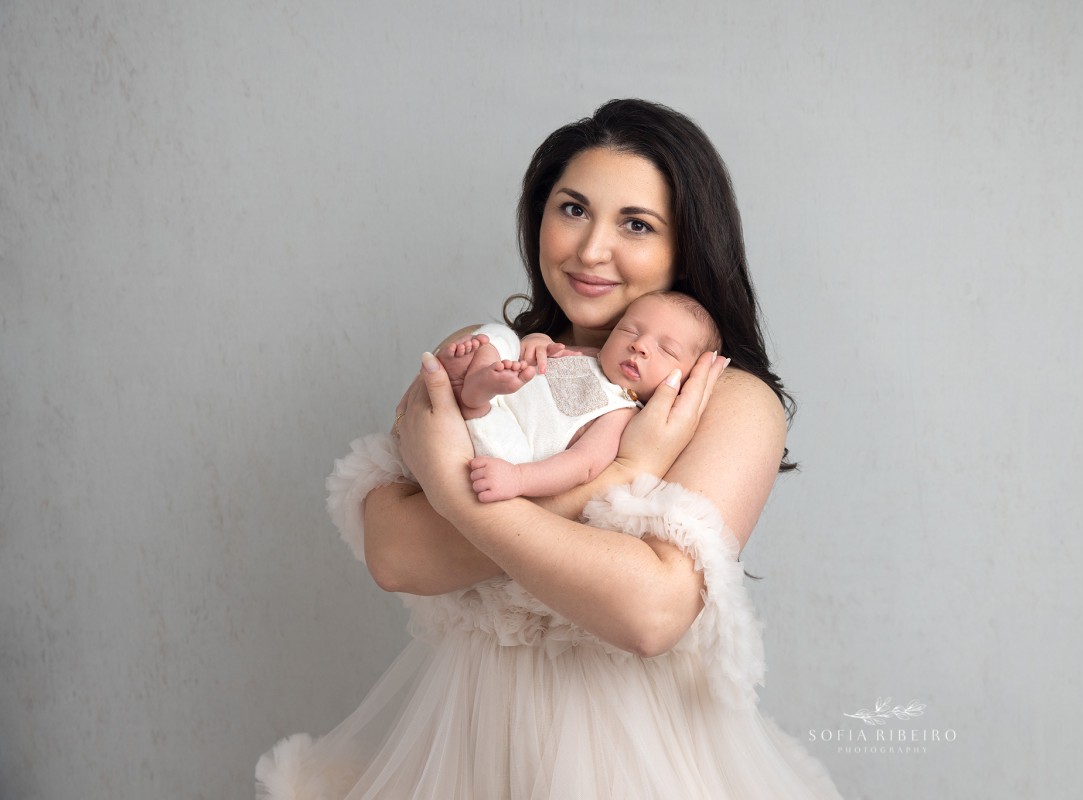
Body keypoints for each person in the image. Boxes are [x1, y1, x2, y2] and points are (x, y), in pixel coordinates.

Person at [256, 99, 843, 799]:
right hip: (467, 743)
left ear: (687, 245)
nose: (591, 250)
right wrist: (620, 473)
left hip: (634, 752)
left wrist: (457, 494)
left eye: (636, 224)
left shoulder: (724, 399)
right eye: (572, 209)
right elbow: (395, 555)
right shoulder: (488, 354)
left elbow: (649, 613)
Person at [443, 290, 723, 503]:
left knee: (503, 442)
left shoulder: (620, 415)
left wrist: (518, 479)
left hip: (510, 447)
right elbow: (538, 356)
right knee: (503, 336)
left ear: (684, 383)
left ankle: (473, 397)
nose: (639, 345)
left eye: (667, 350)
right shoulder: (590, 356)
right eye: (629, 330)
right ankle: (476, 371)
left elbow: (581, 465)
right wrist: (537, 343)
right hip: (504, 389)